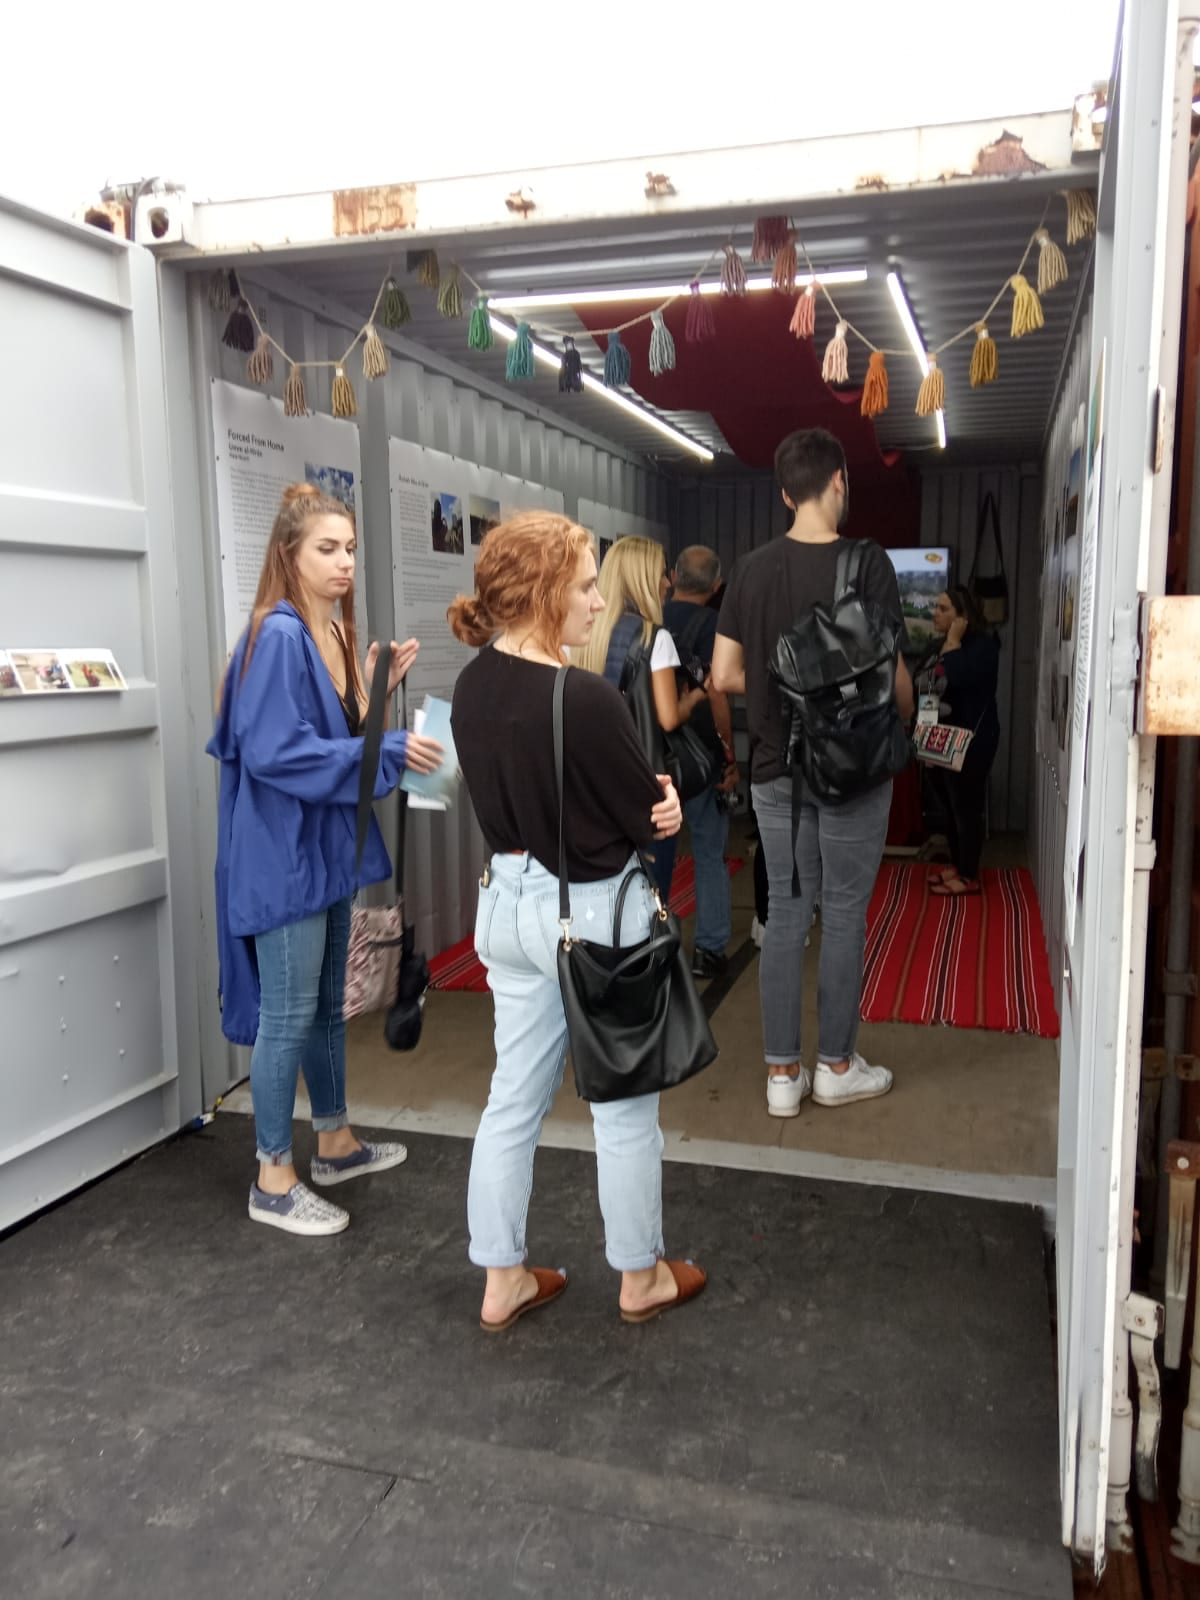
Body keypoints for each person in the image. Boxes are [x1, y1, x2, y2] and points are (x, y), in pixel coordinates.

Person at [449, 513, 705, 1332]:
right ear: (544, 592)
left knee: (511, 1101)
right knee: (624, 1112)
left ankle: (503, 1279)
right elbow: (645, 816)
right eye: (587, 586)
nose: (599, 603)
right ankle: (641, 1276)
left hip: (506, 906)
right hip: (593, 914)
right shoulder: (584, 697)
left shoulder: (471, 685)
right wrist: (666, 807)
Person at [207, 483, 445, 1238]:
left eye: (350, 549)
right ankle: (273, 1177)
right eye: (327, 548)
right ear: (290, 553)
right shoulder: (278, 635)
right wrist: (390, 745)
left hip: (321, 852)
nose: (345, 562)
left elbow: (336, 741)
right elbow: (281, 754)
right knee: (287, 1015)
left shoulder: (327, 634)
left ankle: (335, 1142)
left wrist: (378, 695)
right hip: (285, 858)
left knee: (321, 1008)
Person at [713, 428, 914, 1120]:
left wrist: (780, 692)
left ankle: (781, 1077)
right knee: (846, 913)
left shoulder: (750, 569)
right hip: (853, 768)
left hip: (776, 769)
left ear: (784, 494)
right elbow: (892, 673)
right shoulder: (867, 562)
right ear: (838, 483)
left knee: (786, 916)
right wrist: (901, 722)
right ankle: (836, 1067)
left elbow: (724, 674)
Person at [574, 535, 707, 900]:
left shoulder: (585, 635)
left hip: (592, 785)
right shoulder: (654, 637)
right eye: (662, 573)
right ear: (643, 578)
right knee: (651, 896)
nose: (668, 582)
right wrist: (696, 696)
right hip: (644, 786)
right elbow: (668, 718)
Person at [662, 545, 738, 978]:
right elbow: (718, 692)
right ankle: (708, 950)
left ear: (674, 576)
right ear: (716, 586)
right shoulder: (715, 625)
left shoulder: (650, 619)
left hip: (657, 754)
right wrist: (729, 756)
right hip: (703, 755)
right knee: (710, 852)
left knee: (656, 856)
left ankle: (652, 944)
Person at [923, 585, 1001, 897]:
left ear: (962, 617)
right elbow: (929, 684)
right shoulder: (939, 645)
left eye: (944, 609)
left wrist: (953, 643)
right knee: (949, 806)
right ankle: (957, 864)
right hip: (941, 738)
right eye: (937, 607)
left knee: (966, 806)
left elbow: (957, 677)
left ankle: (969, 875)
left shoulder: (983, 647)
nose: (935, 614)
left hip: (972, 740)